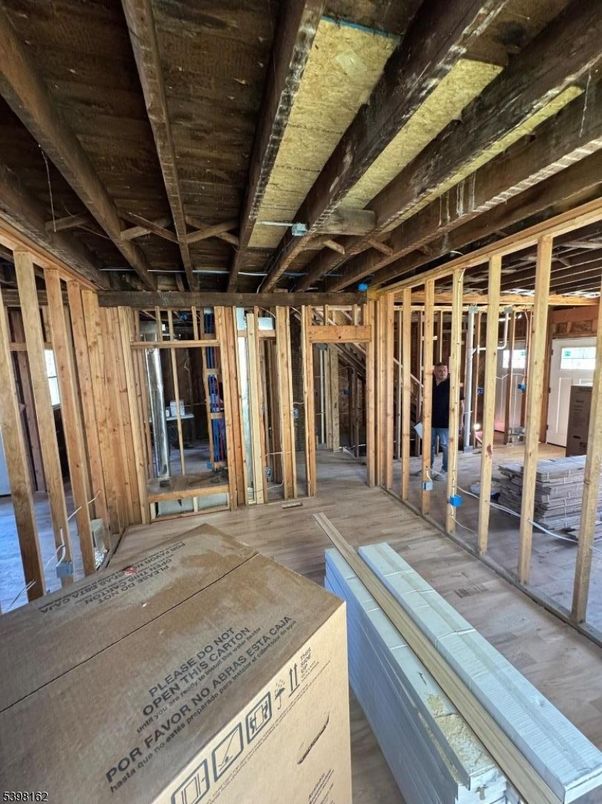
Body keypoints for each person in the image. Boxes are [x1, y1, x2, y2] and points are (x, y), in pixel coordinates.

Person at [430, 362, 463, 478]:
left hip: (446, 423)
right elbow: (425, 402)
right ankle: (427, 468)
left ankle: (445, 470)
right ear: (435, 372)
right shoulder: (430, 384)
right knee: (429, 446)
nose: (442, 372)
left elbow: (461, 405)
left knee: (445, 447)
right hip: (430, 422)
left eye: (444, 370)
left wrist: (460, 422)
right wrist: (421, 419)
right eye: (439, 370)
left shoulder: (452, 385)